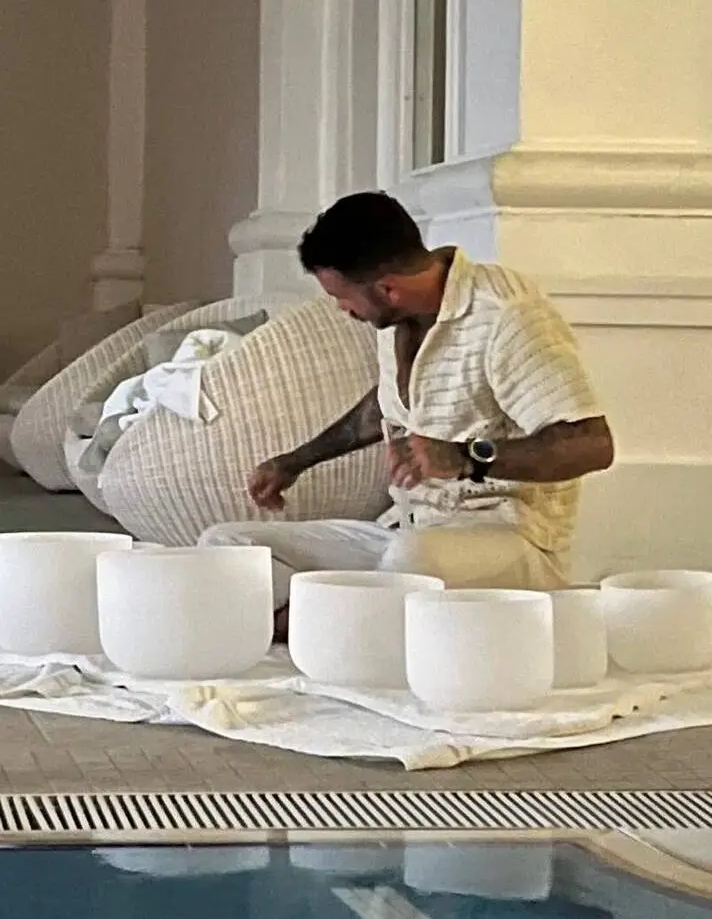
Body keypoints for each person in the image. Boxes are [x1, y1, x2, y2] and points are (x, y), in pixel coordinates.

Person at [199, 192, 614, 638]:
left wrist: (465, 457)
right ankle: (333, 623)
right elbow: (384, 403)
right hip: (408, 530)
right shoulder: (395, 318)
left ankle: (304, 627)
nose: (342, 310)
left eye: (342, 297)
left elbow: (592, 444)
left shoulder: (507, 317)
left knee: (411, 563)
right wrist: (294, 462)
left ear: (387, 288)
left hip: (509, 538)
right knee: (228, 544)